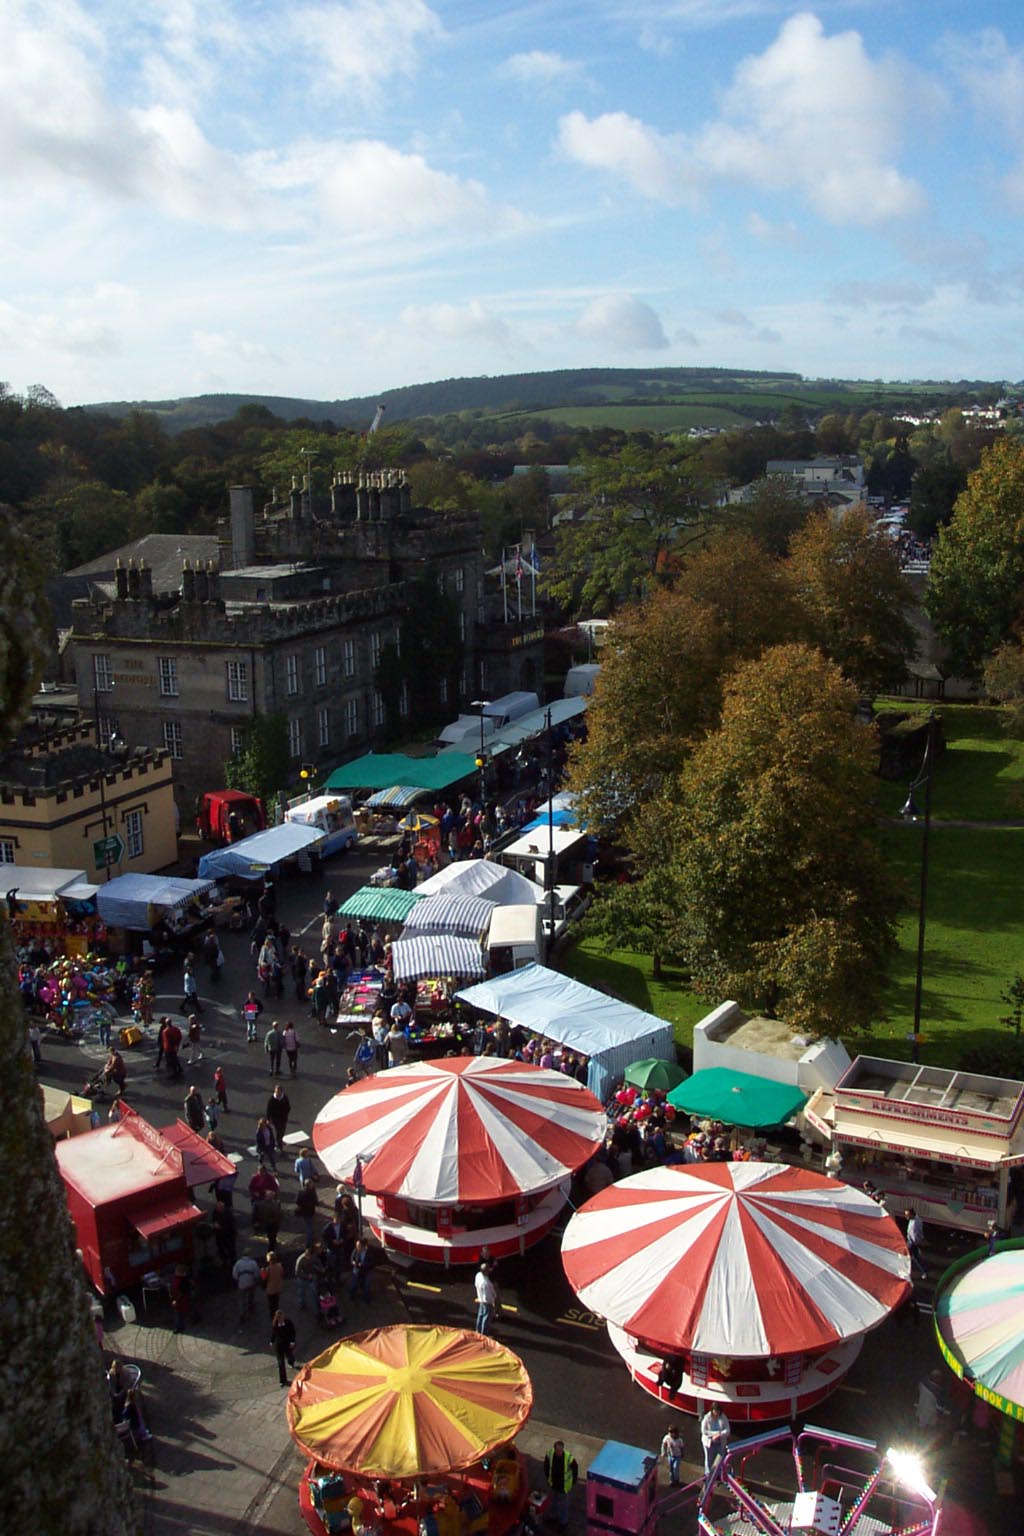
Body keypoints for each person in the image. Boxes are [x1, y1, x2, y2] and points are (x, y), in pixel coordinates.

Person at [543, 1441, 578, 1532]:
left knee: (563, 1505)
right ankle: (553, 1516)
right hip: (554, 1484)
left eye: (561, 1450)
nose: (560, 1452)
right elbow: (546, 1465)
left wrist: (573, 1481)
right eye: (558, 1450)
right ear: (554, 1449)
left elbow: (575, 1468)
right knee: (553, 1501)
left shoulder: (568, 1457)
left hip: (564, 1486)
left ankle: (563, 1523)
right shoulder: (550, 1453)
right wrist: (547, 1476)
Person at [233, 1253, 261, 1328]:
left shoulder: (238, 1263)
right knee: (251, 1296)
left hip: (241, 1284)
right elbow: (257, 1274)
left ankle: (242, 1314)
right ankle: (250, 1307)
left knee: (241, 1299)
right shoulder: (253, 1263)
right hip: (251, 1283)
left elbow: (235, 1275)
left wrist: (238, 1280)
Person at [700, 1408, 730, 1476]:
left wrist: (720, 1434)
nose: (716, 1414)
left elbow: (727, 1430)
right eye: (715, 1412)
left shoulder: (723, 1417)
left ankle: (720, 1474)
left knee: (721, 1458)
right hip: (709, 1442)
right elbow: (704, 1431)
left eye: (718, 1412)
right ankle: (708, 1474)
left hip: (720, 1442)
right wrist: (715, 1434)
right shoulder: (707, 1418)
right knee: (708, 1459)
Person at [270, 1309, 296, 1386]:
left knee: (290, 1356)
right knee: (281, 1363)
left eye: (281, 1317)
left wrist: (292, 1342)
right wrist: (271, 1341)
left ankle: (291, 1362)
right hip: (279, 1346)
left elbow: (292, 1332)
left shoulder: (288, 1323)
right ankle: (283, 1380)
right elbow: (273, 1334)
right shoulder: (275, 1325)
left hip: (287, 1344)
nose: (280, 1319)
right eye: (278, 1318)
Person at [295, 1244, 324, 1312]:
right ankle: (301, 1304)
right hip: (302, 1279)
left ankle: (318, 1306)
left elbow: (318, 1262)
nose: (309, 1258)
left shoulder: (314, 1256)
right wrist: (306, 1276)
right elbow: (297, 1272)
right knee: (301, 1293)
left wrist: (321, 1268)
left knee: (315, 1292)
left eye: (310, 1256)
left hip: (311, 1276)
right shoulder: (300, 1260)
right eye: (307, 1256)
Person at [474, 1259, 498, 1336]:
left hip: (481, 1299)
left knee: (480, 1315)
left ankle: (478, 1330)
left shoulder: (478, 1275)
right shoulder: (487, 1283)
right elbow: (489, 1295)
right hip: (487, 1302)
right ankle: (484, 1333)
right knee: (486, 1318)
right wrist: (493, 1301)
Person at [296, 1178, 319, 1250]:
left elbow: (297, 1201)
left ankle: (312, 1235)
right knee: (310, 1225)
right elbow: (316, 1201)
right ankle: (309, 1241)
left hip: (304, 1211)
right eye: (311, 1184)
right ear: (309, 1185)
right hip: (311, 1211)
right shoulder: (312, 1192)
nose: (313, 1185)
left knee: (308, 1223)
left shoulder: (301, 1192)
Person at [170, 1264, 192, 1335]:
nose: (175, 1272)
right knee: (186, 1310)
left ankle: (179, 1327)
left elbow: (181, 1292)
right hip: (182, 1299)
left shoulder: (182, 1281)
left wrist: (175, 1300)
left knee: (179, 1314)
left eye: (177, 1271)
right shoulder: (179, 1279)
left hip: (181, 1300)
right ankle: (195, 1318)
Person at [263, 1249, 286, 1317]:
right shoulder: (280, 1266)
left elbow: (264, 1278)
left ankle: (272, 1316)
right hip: (278, 1288)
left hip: (270, 1289)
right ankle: (276, 1313)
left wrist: (262, 1272)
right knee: (276, 1303)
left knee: (271, 1304)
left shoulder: (268, 1269)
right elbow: (282, 1275)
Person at [349, 1237, 372, 1304]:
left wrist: (364, 1264)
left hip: (366, 1271)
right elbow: (351, 1259)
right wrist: (353, 1262)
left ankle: (366, 1297)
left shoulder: (369, 1252)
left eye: (359, 1246)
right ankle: (352, 1295)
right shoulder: (355, 1250)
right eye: (357, 1245)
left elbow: (372, 1262)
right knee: (354, 1284)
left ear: (364, 1246)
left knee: (367, 1285)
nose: (357, 1247)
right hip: (357, 1270)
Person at [905, 1209, 927, 1278]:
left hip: (912, 1243)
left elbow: (915, 1235)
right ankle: (924, 1271)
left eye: (907, 1215)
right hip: (911, 1242)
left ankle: (924, 1272)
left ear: (911, 1215)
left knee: (911, 1257)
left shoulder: (914, 1224)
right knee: (914, 1257)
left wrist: (914, 1243)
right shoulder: (917, 1218)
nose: (906, 1216)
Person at [267, 1083, 291, 1148]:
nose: (277, 1093)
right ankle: (279, 1144)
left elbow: (288, 1107)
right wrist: (268, 1119)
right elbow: (269, 1110)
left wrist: (285, 1113)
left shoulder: (284, 1097)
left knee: (282, 1130)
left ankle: (280, 1140)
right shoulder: (272, 1099)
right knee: (278, 1131)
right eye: (276, 1092)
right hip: (276, 1119)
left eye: (278, 1092)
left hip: (283, 1118)